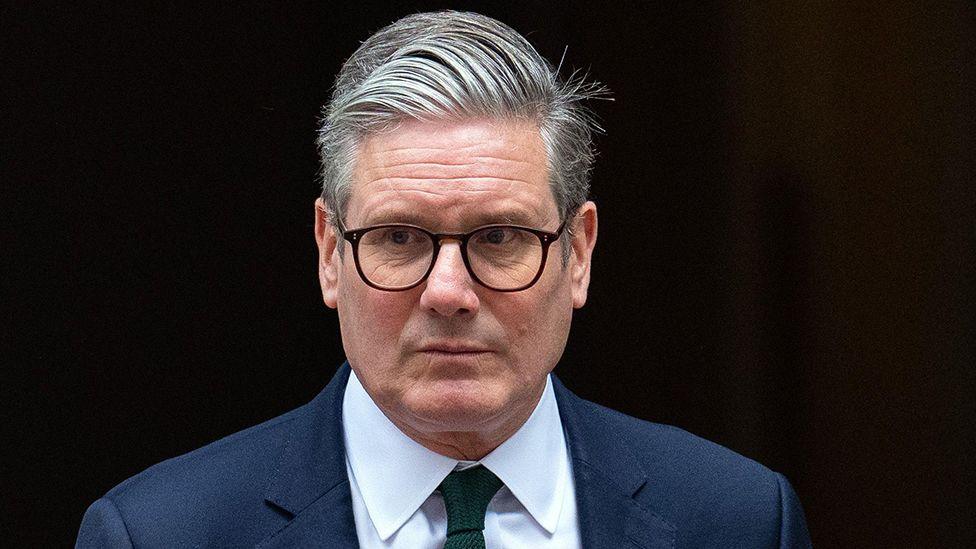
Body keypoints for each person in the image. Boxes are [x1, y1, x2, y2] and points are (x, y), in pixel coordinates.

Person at [76, 10, 812, 548]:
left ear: (578, 253)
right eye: (399, 238)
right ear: (330, 252)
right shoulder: (160, 533)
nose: (449, 292)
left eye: (500, 237)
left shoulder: (739, 518)